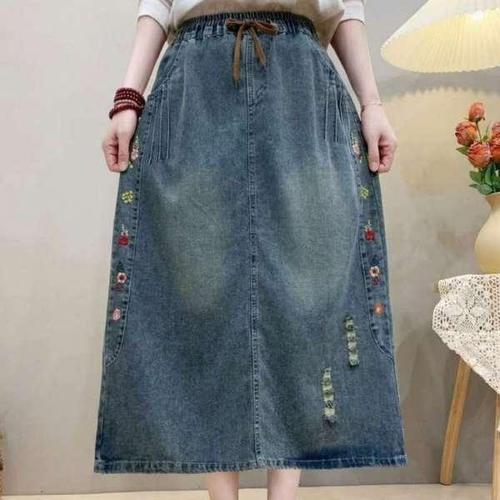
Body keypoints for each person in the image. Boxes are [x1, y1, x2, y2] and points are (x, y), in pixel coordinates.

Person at [95, 1, 407, 499]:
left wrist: (372, 104)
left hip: (299, 82)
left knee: (306, 294)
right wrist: (128, 97)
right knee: (199, 298)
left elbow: (344, 3)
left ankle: (284, 494)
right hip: (197, 83)